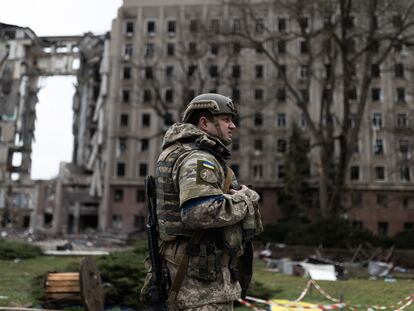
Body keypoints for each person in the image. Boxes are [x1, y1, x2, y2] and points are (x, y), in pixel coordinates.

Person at [143, 93, 263, 310]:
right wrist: (247, 199)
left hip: (193, 283)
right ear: (204, 123)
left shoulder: (182, 152)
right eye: (226, 119)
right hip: (200, 291)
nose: (233, 126)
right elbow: (199, 211)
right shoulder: (199, 158)